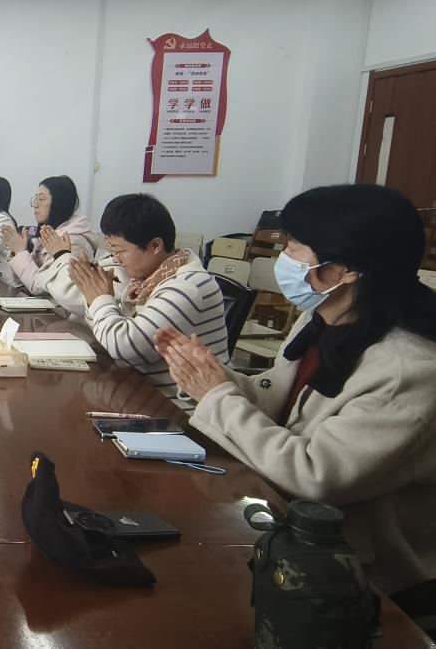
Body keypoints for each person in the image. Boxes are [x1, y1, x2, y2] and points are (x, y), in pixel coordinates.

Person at [155, 184, 436, 608]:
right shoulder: (322, 318)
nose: (283, 259)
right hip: (292, 538)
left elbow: (315, 475)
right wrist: (208, 377)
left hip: (363, 582)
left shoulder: (405, 371)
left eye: (294, 247)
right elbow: (278, 402)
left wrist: (218, 396)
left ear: (346, 269)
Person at [67, 193, 227, 396]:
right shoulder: (146, 280)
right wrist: (94, 297)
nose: (115, 259)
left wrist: (100, 299)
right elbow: (106, 335)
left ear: (155, 246)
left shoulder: (187, 286)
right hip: (139, 390)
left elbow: (125, 347)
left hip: (178, 405)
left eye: (120, 251)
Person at [2, 175, 102, 317]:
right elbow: (20, 281)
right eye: (35, 199)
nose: (35, 204)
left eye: (42, 199)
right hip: (42, 311)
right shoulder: (50, 232)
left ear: (59, 203)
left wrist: (20, 252)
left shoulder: (72, 240)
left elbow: (39, 287)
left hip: (60, 316)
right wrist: (18, 251)